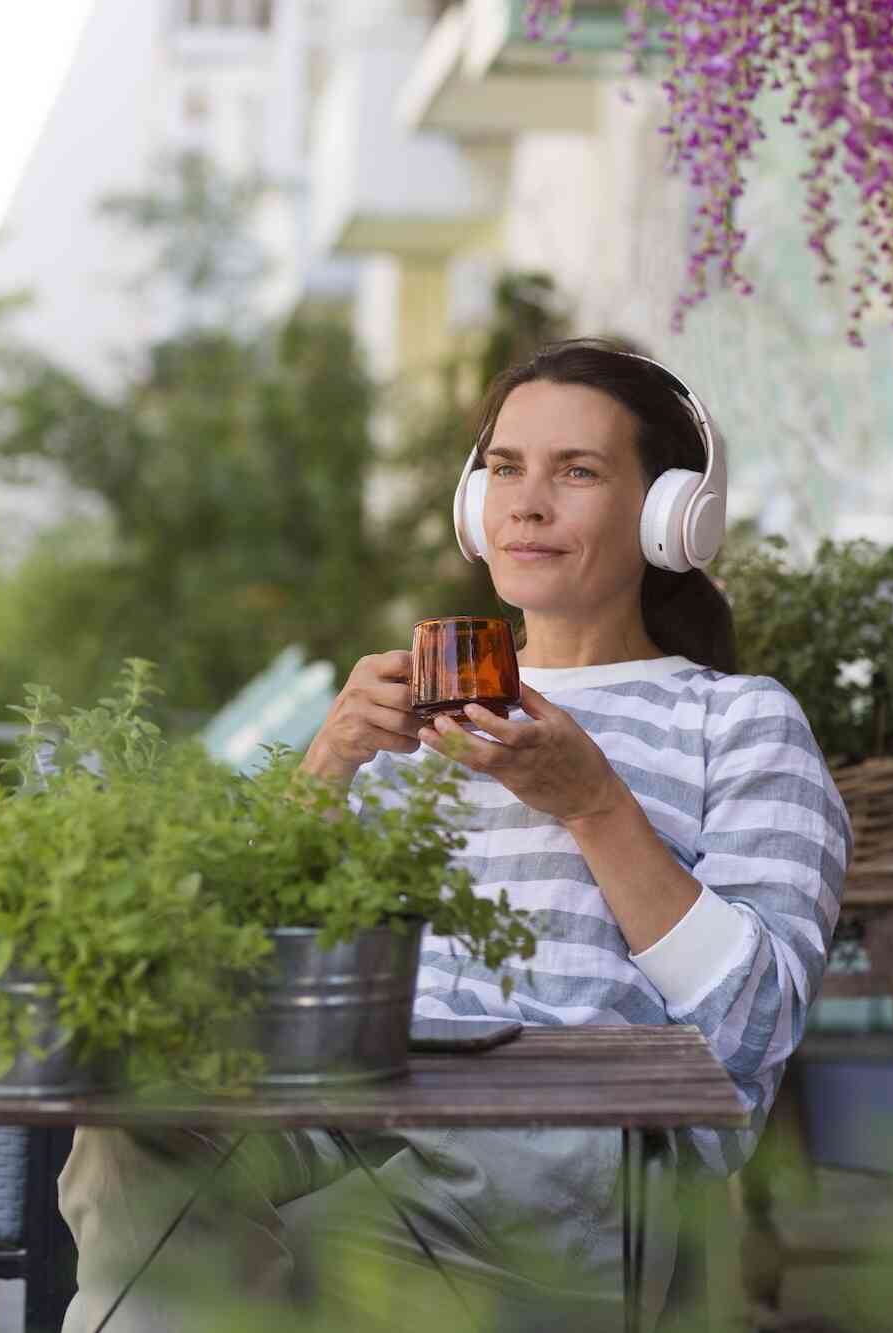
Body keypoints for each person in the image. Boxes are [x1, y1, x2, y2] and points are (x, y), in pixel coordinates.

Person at [56, 338, 852, 1332]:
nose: (525, 503)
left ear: (669, 515)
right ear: (473, 504)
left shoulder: (736, 721)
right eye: (505, 468)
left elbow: (751, 1030)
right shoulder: (412, 720)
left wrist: (593, 802)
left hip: (560, 1150)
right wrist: (327, 766)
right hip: (353, 1112)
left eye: (576, 471)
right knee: (135, 1131)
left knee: (273, 1270)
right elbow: (229, 964)